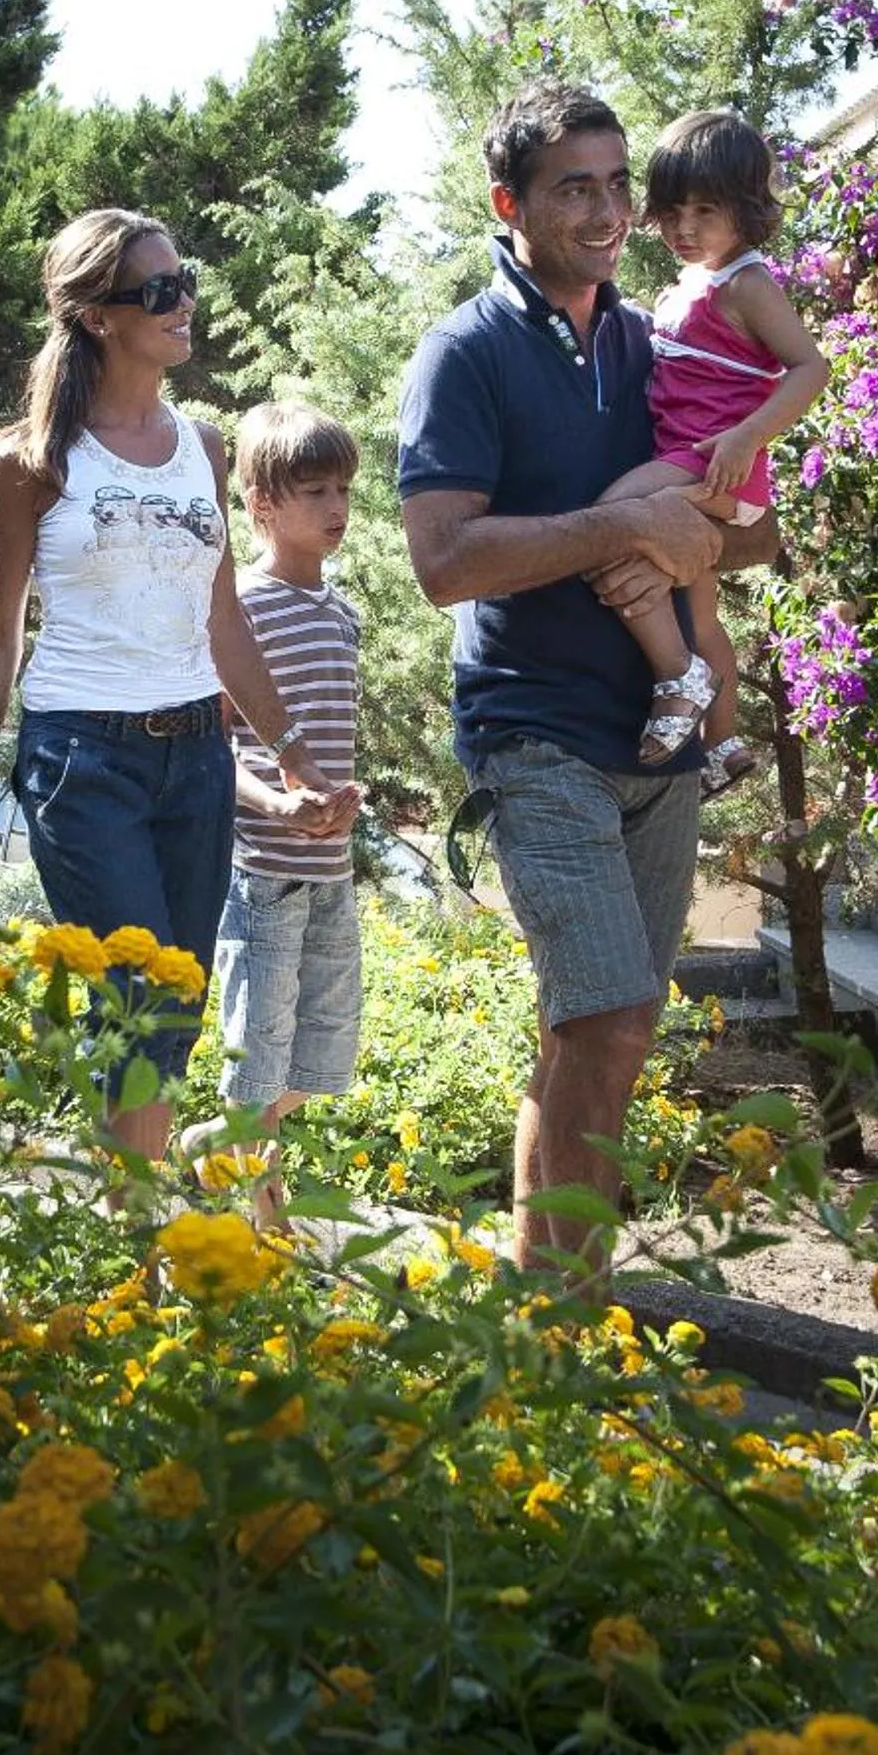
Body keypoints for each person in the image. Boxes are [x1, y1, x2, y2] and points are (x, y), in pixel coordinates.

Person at [396, 80, 781, 1273]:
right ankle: (568, 1314)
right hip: (534, 732)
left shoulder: (656, 336)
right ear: (510, 203)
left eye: (619, 184)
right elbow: (444, 561)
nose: (610, 208)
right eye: (576, 186)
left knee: (601, 1028)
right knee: (605, 1019)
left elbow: (751, 523)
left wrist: (694, 535)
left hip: (655, 740)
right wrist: (627, 531)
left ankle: (547, 1296)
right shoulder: (463, 353)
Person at [0, 208, 352, 1183]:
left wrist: (289, 747)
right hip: (82, 760)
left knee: (176, 1003)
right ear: (97, 316)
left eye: (185, 280)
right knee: (138, 1000)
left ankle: (119, 1217)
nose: (184, 304)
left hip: (197, 764)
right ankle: (136, 1250)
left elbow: (223, 623)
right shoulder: (30, 462)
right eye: (159, 291)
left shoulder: (202, 448)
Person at [590, 110, 829, 794]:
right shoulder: (691, 283)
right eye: (671, 211)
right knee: (701, 612)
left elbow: (810, 368)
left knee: (610, 516)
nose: (683, 228)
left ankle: (677, 677)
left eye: (704, 210)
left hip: (717, 463)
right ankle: (722, 739)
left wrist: (748, 435)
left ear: (745, 209)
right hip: (695, 458)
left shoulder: (748, 283)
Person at [185, 400, 368, 1234]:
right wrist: (278, 804)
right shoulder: (240, 611)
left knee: (323, 1059)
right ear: (260, 504)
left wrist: (337, 807)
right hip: (260, 873)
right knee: (256, 1061)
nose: (336, 508)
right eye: (314, 491)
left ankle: (212, 1144)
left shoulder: (341, 614)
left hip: (331, 872)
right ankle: (264, 1217)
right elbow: (212, 748)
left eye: (343, 489)